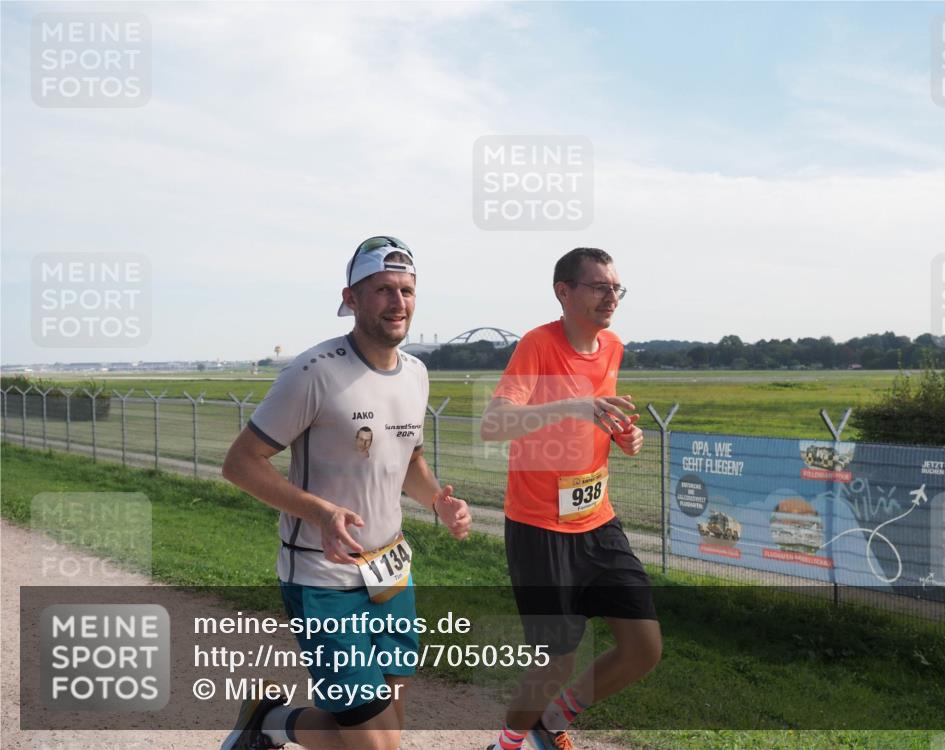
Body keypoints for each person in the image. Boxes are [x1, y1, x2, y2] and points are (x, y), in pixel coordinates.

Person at [220, 235, 471, 750]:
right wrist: (320, 512)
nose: (397, 302)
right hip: (323, 577)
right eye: (382, 289)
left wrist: (437, 501)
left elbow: (408, 459)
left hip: (391, 571)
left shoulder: (417, 373)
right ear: (351, 298)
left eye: (406, 290)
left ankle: (268, 721)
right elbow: (240, 463)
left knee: (389, 731)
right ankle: (268, 723)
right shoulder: (314, 371)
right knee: (375, 746)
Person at [480, 247, 661, 750]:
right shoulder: (538, 345)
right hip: (540, 529)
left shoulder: (613, 346)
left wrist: (622, 434)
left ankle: (552, 721)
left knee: (643, 646)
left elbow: (598, 416)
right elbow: (494, 424)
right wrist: (576, 405)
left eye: (616, 288)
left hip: (597, 521)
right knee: (555, 661)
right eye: (600, 287)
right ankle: (506, 745)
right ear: (564, 292)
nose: (611, 297)